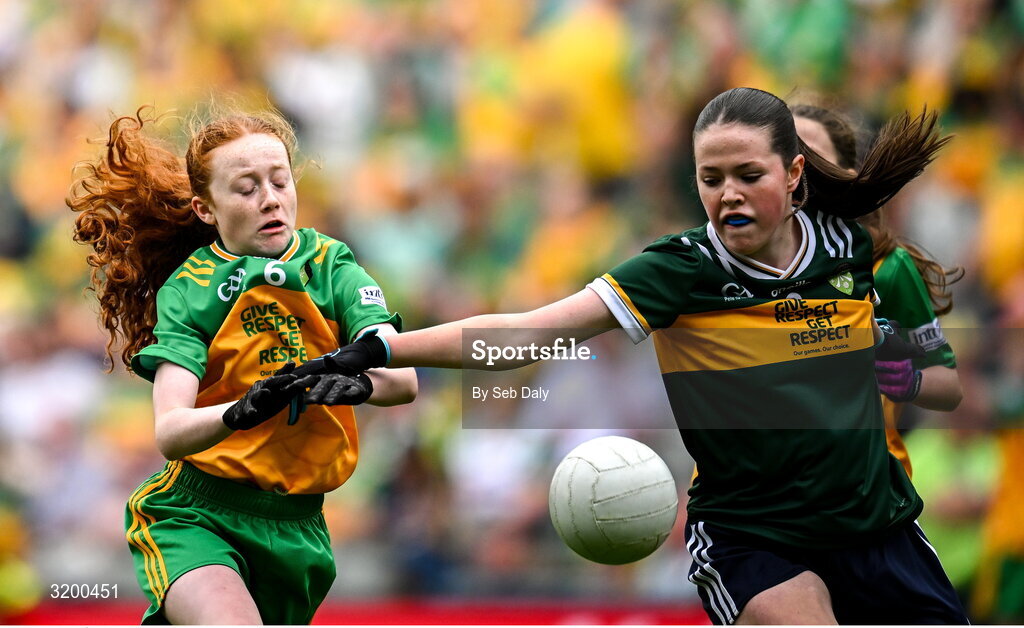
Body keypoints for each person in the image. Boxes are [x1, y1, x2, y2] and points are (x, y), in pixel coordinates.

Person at [298, 87, 969, 624]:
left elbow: (942, 386)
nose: (728, 193)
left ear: (797, 174)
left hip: (878, 528)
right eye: (711, 178)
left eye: (748, 174)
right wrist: (383, 345)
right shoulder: (680, 270)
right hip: (756, 537)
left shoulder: (857, 254)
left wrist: (896, 368)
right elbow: (528, 334)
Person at [67, 105, 417, 624]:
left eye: (279, 181)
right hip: (197, 513)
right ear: (206, 209)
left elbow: (403, 380)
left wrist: (355, 385)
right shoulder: (189, 291)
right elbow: (171, 430)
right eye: (247, 188)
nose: (270, 198)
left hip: (299, 530)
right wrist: (241, 410)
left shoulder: (331, 264)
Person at [792, 103, 964, 479]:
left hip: (866, 486)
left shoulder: (886, 267)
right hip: (770, 493)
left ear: (846, 178)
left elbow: (948, 386)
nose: (796, 169)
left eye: (812, 157)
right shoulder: (735, 266)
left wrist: (907, 380)